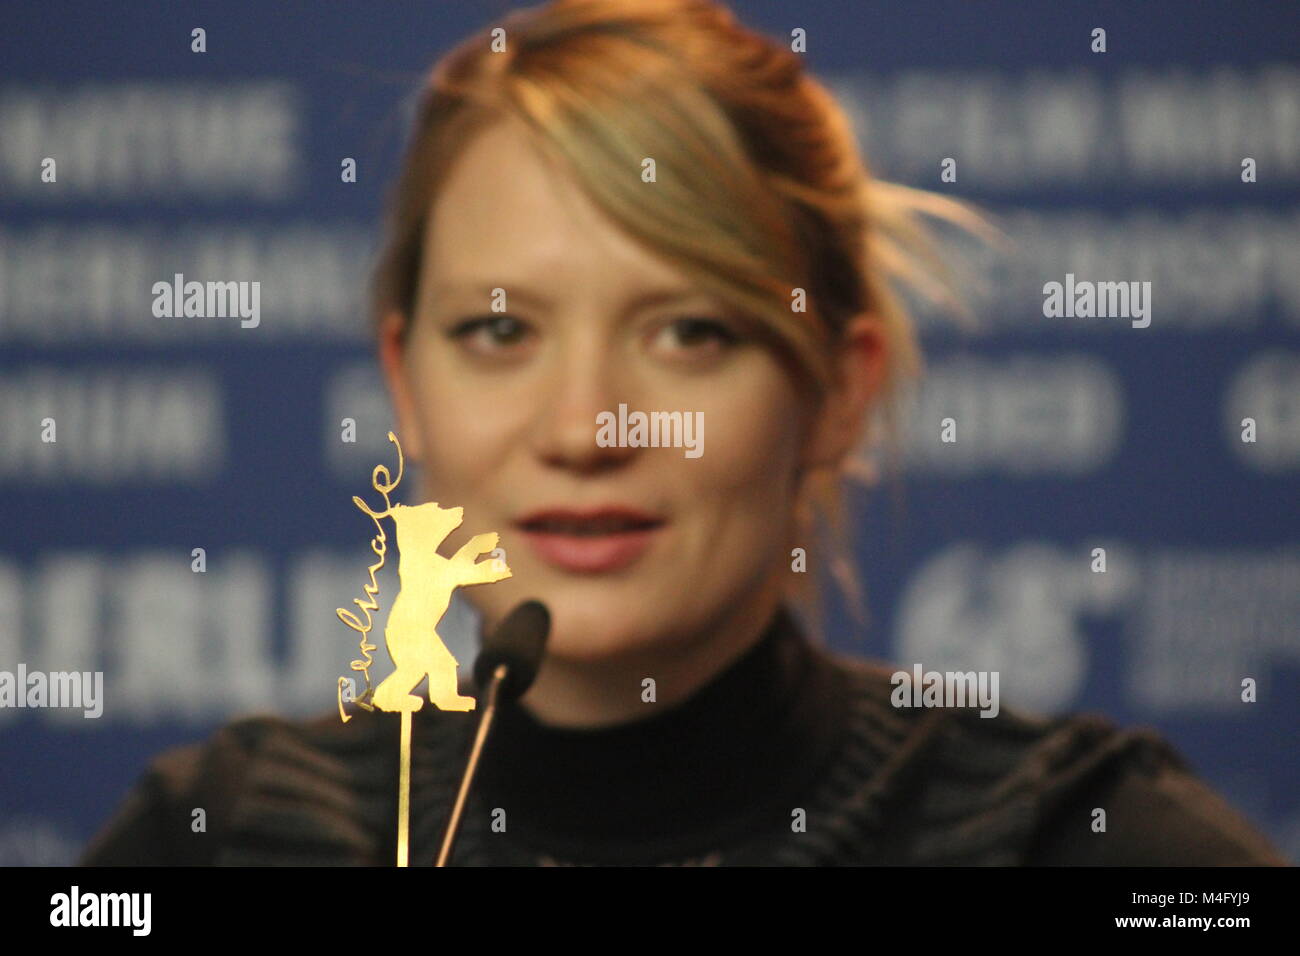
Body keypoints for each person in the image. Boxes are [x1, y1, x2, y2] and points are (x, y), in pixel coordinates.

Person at [81, 0, 1284, 866]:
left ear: (839, 389)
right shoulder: (225, 831)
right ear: (406, 381)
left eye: (691, 331)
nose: (584, 426)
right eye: (499, 331)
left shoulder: (1077, 836)